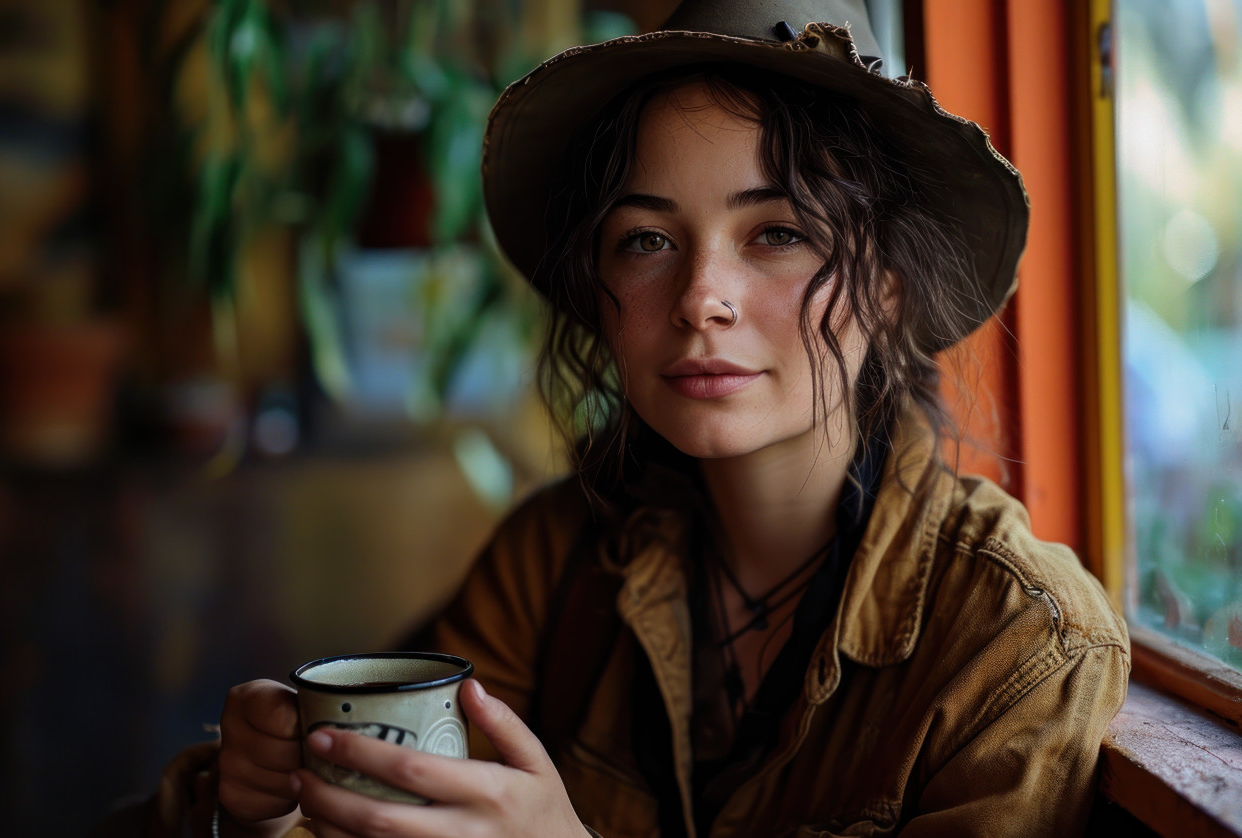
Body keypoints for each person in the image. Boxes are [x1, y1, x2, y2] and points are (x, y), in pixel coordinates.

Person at [161, 1, 1130, 836]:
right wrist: (259, 807)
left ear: (883, 285)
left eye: (778, 233)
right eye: (647, 238)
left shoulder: (1013, 645)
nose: (699, 296)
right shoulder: (552, 567)